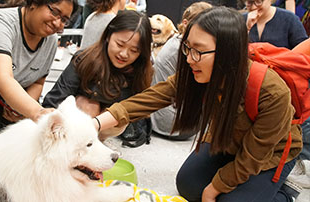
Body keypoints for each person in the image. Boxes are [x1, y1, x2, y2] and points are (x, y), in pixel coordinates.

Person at [92, 6, 303, 201]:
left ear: (227, 53)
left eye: (198, 50)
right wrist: (95, 124)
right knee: (188, 185)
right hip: (227, 139)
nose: (189, 59)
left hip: (269, 153)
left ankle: (283, 194)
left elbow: (253, 157)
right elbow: (153, 97)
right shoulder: (199, 73)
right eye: (187, 47)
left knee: (225, 197)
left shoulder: (272, 92)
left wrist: (214, 188)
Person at [0, 0, 76, 150]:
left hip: (7, 108)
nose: (57, 23)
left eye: (64, 20)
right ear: (34, 3)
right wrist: (36, 112)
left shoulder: (50, 40)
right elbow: (3, 79)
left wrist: (21, 111)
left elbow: (37, 82)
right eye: (54, 12)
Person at [42, 10, 153, 140]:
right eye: (120, 44)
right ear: (108, 36)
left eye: (134, 50)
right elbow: (56, 98)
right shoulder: (85, 59)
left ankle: (97, 141)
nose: (124, 54)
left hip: (111, 124)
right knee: (88, 105)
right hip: (78, 119)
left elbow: (136, 109)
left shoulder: (141, 70)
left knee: (118, 113)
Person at [150, 1, 212, 140]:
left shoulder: (177, 42)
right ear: (185, 23)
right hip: (173, 125)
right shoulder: (185, 50)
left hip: (163, 119)